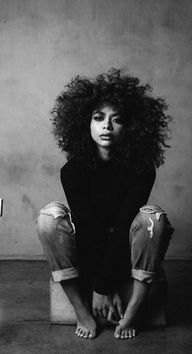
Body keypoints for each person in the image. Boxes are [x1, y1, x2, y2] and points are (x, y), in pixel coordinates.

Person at [36, 68, 174, 340]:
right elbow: (88, 230)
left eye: (117, 119)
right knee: (48, 218)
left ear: (131, 126)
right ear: (84, 123)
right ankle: (82, 311)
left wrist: (103, 286)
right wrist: (101, 286)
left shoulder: (141, 169)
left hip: (126, 250)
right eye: (99, 118)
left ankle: (133, 311)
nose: (107, 126)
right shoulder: (72, 170)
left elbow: (124, 227)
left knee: (152, 218)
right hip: (89, 250)